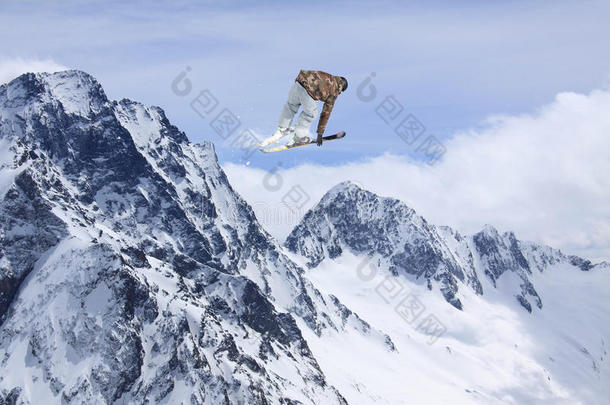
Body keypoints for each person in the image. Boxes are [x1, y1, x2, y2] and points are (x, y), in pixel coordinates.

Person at [260, 70, 348, 148]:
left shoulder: (328, 76)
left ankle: (282, 128)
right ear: (342, 87)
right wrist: (320, 133)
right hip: (309, 91)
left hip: (299, 82)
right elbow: (326, 113)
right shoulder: (335, 90)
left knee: (291, 106)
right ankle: (299, 138)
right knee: (310, 114)